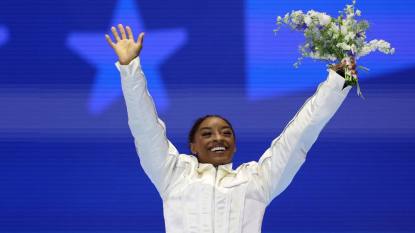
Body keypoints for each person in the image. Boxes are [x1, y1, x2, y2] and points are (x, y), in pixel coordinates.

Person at [105, 24, 354, 233]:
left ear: (234, 145)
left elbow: (301, 133)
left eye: (226, 133)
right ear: (192, 146)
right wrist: (129, 69)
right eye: (207, 134)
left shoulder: (257, 181)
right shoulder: (173, 176)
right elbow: (144, 126)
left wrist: (342, 79)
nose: (218, 138)